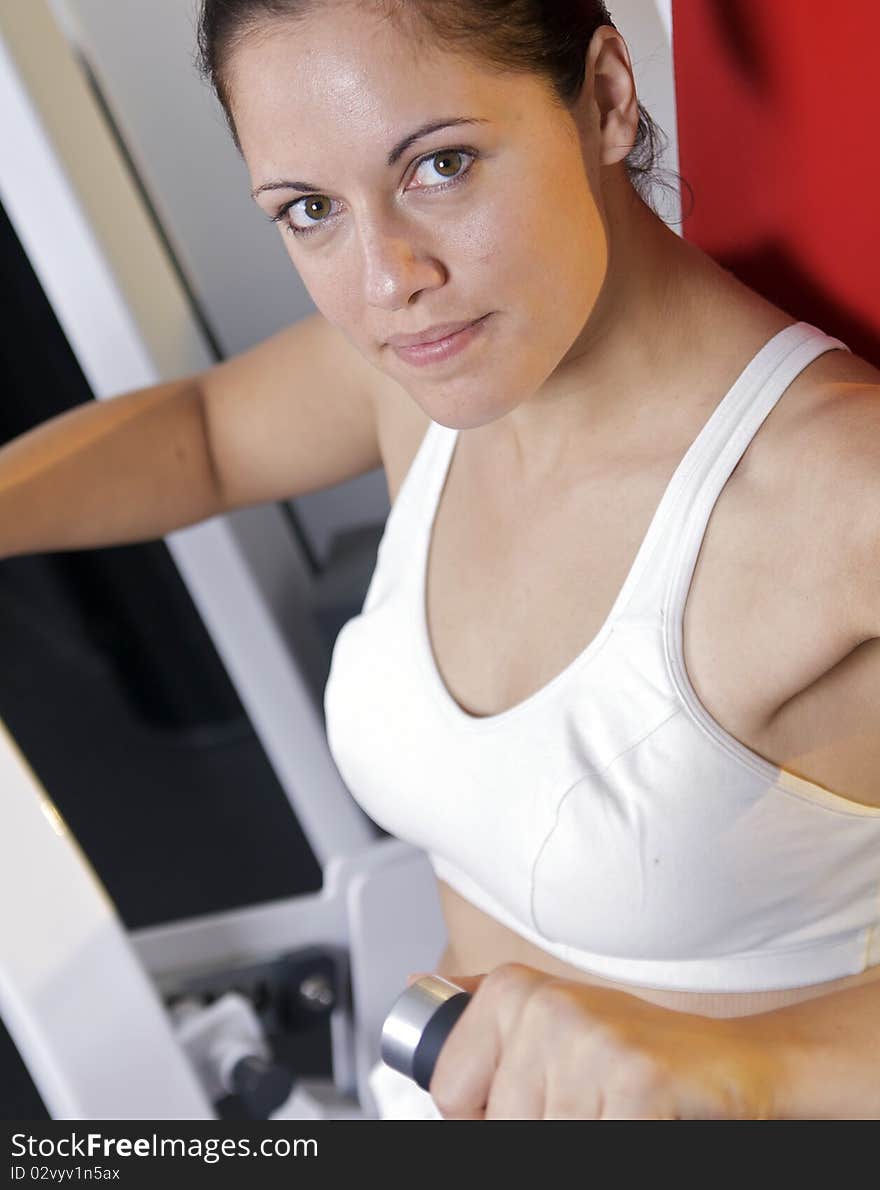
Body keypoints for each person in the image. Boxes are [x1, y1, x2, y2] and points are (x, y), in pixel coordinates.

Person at [3, 0, 878, 1118]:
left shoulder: (841, 496)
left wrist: (750, 1066)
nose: (385, 280)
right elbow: (206, 437)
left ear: (606, 99)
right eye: (311, 210)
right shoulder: (422, 372)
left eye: (442, 165)